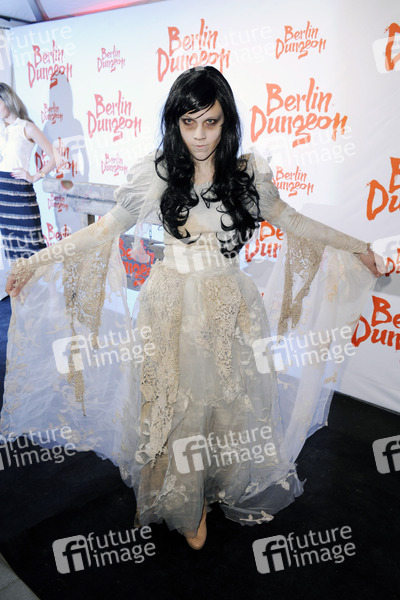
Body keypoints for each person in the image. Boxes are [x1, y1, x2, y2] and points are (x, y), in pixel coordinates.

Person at [1, 67, 383, 551]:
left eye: (211, 122)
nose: (200, 135)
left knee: (224, 403)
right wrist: (36, 261)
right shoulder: (158, 173)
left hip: (229, 307)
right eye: (188, 122)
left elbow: (295, 221)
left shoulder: (247, 175)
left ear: (227, 122)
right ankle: (182, 499)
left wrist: (359, 247)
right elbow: (103, 230)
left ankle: (211, 485)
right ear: (175, 123)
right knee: (174, 405)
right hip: (171, 307)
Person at [0, 83, 56, 281]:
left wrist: (34, 176)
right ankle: (21, 295)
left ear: (7, 100)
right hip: (2, 195)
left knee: (34, 247)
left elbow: (55, 157)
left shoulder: (27, 127)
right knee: (12, 248)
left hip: (20, 193)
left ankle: (51, 293)